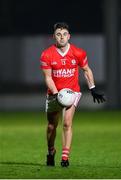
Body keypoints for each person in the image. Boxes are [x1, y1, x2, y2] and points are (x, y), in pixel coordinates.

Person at [40, 22, 105, 167]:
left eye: (64, 34)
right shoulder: (47, 54)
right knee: (51, 126)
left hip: (72, 92)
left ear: (69, 36)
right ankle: (51, 152)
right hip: (54, 93)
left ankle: (65, 157)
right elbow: (48, 78)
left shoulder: (78, 52)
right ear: (54, 37)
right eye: (58, 34)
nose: (62, 37)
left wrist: (92, 88)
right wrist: (56, 94)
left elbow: (86, 70)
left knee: (67, 123)